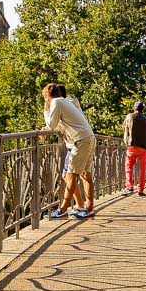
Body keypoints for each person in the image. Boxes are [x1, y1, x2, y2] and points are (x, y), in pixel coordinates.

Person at [43, 83, 95, 219]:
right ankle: (87, 208)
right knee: (85, 174)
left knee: (71, 175)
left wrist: (45, 108)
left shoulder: (56, 102)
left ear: (47, 96)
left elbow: (51, 124)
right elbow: (60, 125)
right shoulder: (66, 101)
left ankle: (62, 209)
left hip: (79, 140)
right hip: (88, 136)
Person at [123, 101, 146, 196]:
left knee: (128, 167)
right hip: (144, 148)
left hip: (132, 146)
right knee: (142, 169)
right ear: (142, 109)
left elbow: (124, 127)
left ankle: (130, 187)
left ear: (134, 108)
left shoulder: (129, 117)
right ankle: (140, 190)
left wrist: (127, 141)